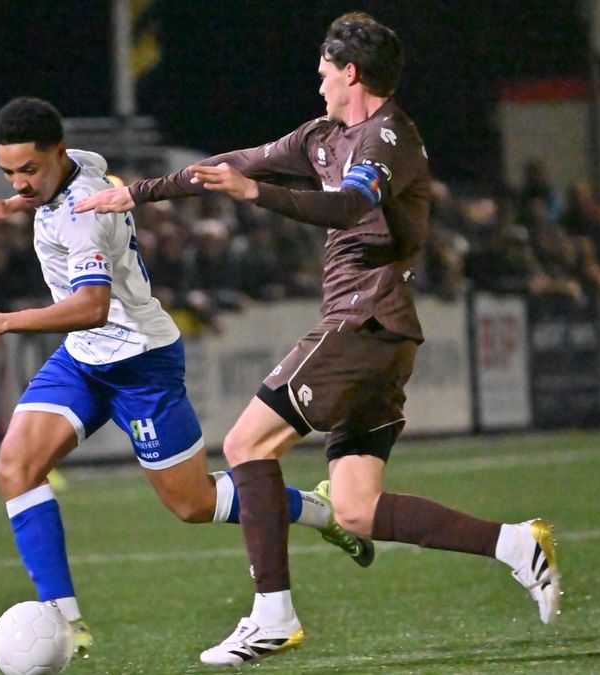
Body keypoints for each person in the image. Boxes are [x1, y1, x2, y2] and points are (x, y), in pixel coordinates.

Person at [76, 12, 561, 667]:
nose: (319, 83)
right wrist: (135, 194)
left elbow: (348, 208)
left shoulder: (388, 139)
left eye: (325, 72)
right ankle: (515, 544)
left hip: (364, 322)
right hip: (380, 334)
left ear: (351, 72)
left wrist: (257, 194)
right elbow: (229, 166)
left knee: (248, 442)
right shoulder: (323, 137)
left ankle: (273, 614)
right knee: (357, 510)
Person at [0, 97, 373, 655]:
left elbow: (91, 307)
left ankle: (322, 511)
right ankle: (64, 619)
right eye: (9, 171)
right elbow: (55, 193)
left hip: (139, 361)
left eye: (28, 170)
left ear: (56, 154)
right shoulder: (78, 163)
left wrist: (5, 322)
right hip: (83, 360)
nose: (20, 180)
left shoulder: (85, 214)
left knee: (194, 504)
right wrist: (14, 204)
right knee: (14, 468)